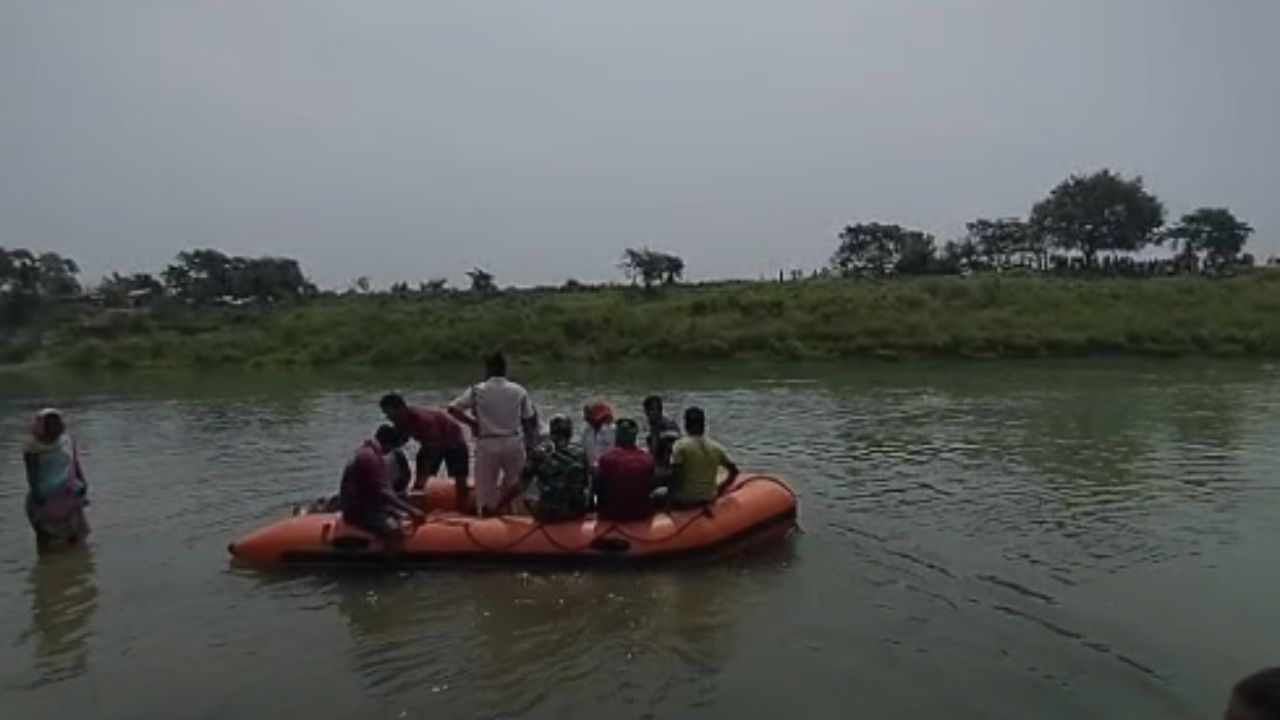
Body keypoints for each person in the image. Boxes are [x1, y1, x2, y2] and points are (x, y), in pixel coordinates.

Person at [447, 352, 538, 515]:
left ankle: (486, 522)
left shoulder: (477, 390)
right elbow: (529, 419)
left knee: (485, 489)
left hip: (487, 442)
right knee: (519, 486)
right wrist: (530, 447)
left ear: (488, 368)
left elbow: (453, 409)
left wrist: (472, 423)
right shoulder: (518, 390)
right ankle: (523, 521)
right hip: (513, 441)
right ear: (505, 369)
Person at [380, 393, 470, 505]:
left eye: (391, 415)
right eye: (387, 415)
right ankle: (419, 500)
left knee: (459, 478)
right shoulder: (400, 421)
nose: (390, 418)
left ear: (401, 409)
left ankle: (462, 505)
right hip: (431, 443)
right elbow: (399, 441)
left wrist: (423, 472)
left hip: (453, 442)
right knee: (422, 473)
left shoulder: (424, 420)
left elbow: (433, 446)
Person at [339, 425, 426, 538]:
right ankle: (389, 554)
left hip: (368, 503)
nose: (390, 452)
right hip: (358, 510)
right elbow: (382, 491)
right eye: (392, 447)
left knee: (400, 513)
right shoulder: (369, 458)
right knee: (394, 529)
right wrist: (411, 510)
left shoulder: (369, 451)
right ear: (387, 442)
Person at [22, 409, 90, 550]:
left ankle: (73, 565)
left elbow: (75, 463)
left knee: (77, 536)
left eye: (56, 423)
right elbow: (31, 475)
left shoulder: (67, 441)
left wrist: (83, 482)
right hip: (46, 497)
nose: (54, 428)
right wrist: (37, 495)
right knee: (47, 540)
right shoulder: (32, 448)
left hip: (68, 492)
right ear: (41, 427)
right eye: (50, 424)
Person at [516, 415, 590, 523]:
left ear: (550, 433)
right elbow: (586, 482)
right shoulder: (581, 453)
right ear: (570, 433)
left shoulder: (539, 453)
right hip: (576, 511)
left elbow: (521, 485)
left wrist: (499, 504)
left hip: (549, 512)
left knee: (527, 500)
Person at [668, 406, 740, 508]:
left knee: (657, 494)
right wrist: (720, 488)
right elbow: (734, 471)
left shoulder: (680, 446)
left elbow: (675, 476)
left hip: (686, 500)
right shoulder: (716, 447)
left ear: (686, 425)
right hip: (709, 497)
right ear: (703, 425)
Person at [595, 418, 657, 522]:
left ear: (617, 436)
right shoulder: (648, 459)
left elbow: (598, 488)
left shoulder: (607, 459)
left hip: (613, 515)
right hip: (642, 514)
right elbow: (652, 486)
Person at [580, 400, 616, 474]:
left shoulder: (614, 431)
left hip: (610, 471)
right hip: (591, 471)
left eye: (589, 415)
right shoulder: (586, 431)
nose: (586, 419)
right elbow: (583, 452)